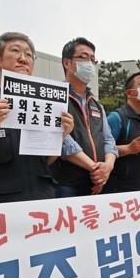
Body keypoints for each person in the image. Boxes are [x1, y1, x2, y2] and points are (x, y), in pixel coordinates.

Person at [0, 32, 74, 205]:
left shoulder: (45, 104)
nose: (23, 58)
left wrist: (61, 135)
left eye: (28, 54)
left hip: (42, 199)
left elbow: (47, 160)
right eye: (15, 51)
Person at [50, 37, 117, 197]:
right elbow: (62, 141)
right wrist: (96, 169)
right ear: (67, 63)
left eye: (93, 59)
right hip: (66, 183)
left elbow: (108, 139)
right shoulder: (54, 97)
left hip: (97, 182)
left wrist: (108, 166)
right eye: (83, 57)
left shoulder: (96, 104)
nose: (90, 63)